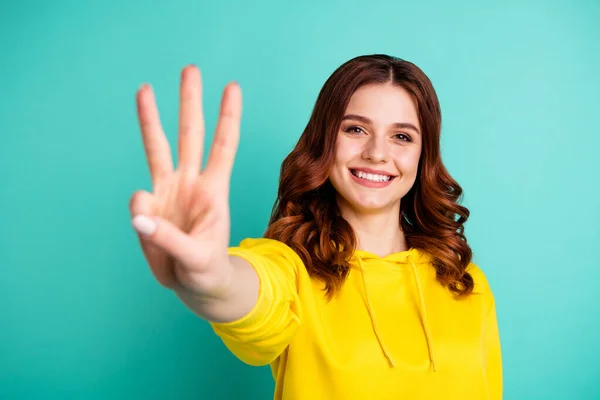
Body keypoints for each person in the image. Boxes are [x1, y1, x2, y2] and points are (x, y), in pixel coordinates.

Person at [129, 54, 503, 400]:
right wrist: (209, 275)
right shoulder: (292, 270)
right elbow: (247, 291)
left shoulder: (466, 282)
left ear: (424, 156)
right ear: (325, 140)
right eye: (355, 129)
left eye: (402, 136)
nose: (377, 153)